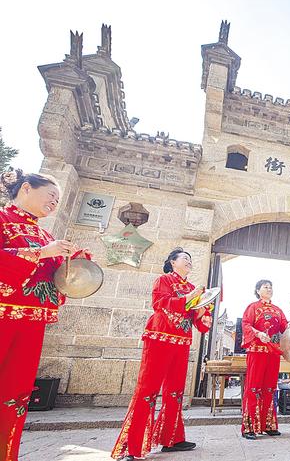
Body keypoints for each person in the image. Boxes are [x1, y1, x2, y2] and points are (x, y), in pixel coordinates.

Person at [0, 169, 90, 461]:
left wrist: (72, 265)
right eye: (51, 196)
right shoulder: (3, 219)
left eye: (57, 200)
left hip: (32, 323)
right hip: (3, 316)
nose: (54, 203)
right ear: (26, 188)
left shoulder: (45, 235)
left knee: (15, 396)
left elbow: (56, 283)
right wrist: (42, 253)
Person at [111, 248, 212, 461]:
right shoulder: (164, 280)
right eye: (185, 258)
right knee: (147, 390)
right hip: (160, 338)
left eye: (190, 259)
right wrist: (189, 298)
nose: (189, 261)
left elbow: (199, 323)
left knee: (175, 391)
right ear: (172, 262)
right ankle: (133, 446)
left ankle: (172, 439)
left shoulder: (192, 288)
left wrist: (203, 311)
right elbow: (160, 303)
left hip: (182, 342)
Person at [240, 279, 288, 440]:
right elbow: (246, 325)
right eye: (265, 287)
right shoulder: (253, 307)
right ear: (257, 290)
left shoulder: (278, 310)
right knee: (253, 387)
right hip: (257, 351)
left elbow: (284, 328)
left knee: (269, 388)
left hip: (273, 352)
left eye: (270, 287)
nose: (269, 289)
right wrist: (258, 333)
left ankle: (267, 425)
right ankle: (249, 427)